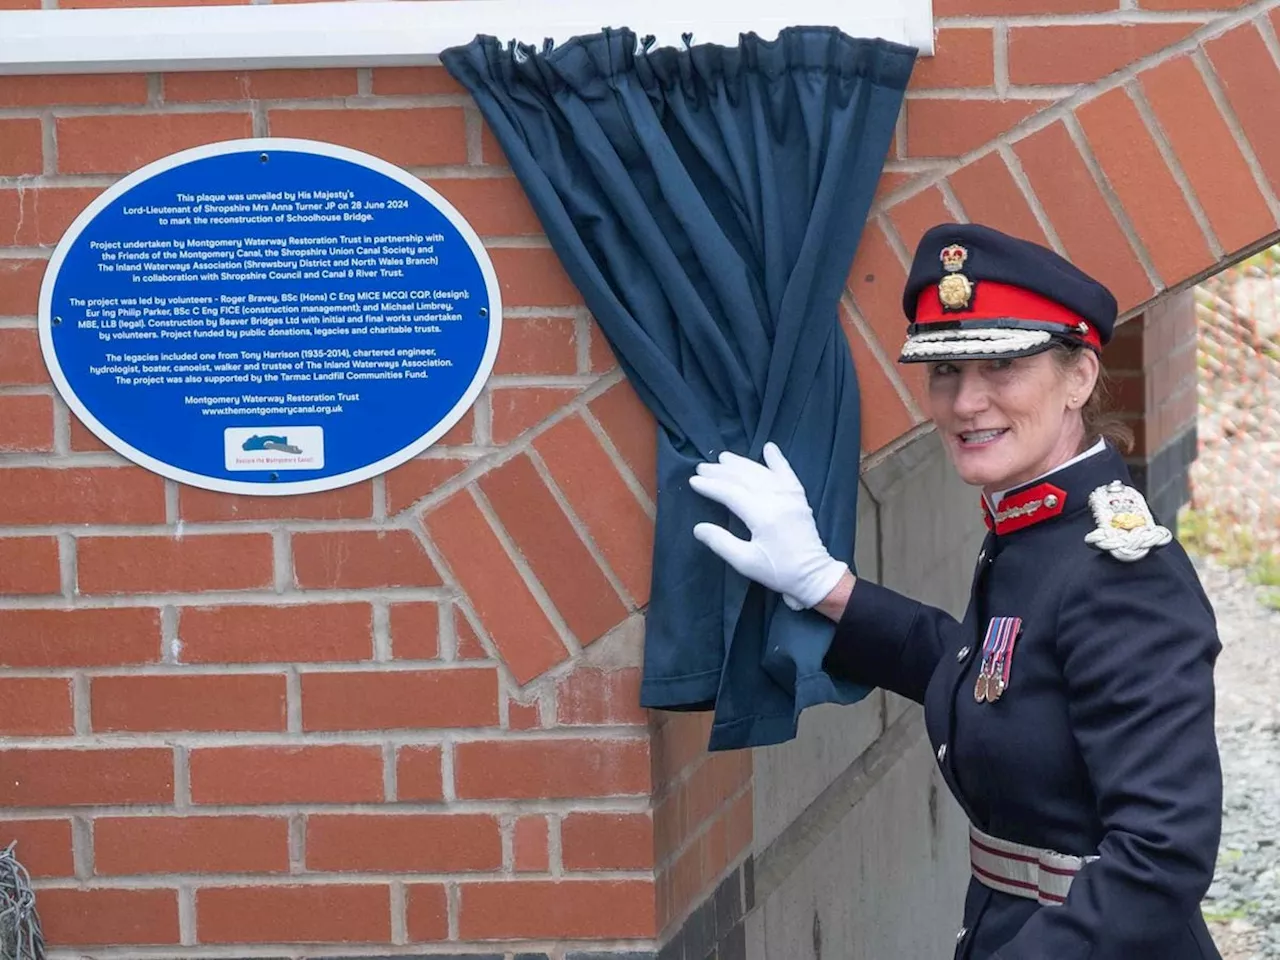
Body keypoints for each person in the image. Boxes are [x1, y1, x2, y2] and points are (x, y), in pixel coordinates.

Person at [688, 222, 1224, 959]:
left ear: (1080, 377)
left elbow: (1164, 857)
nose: (967, 402)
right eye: (946, 371)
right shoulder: (1036, 524)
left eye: (1002, 365)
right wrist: (824, 584)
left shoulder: (1118, 570)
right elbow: (995, 675)